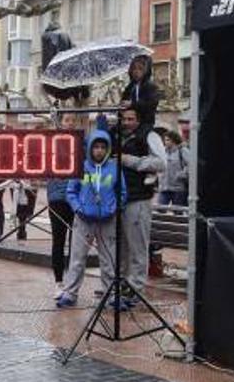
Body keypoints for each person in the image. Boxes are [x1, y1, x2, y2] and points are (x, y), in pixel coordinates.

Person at [56, 129, 125, 309]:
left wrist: (114, 208)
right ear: (90, 149)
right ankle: (70, 293)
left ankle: (112, 295)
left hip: (108, 221)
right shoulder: (82, 167)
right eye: (96, 147)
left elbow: (122, 192)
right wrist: (78, 208)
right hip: (84, 220)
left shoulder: (114, 168)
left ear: (108, 149)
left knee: (108, 260)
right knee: (77, 258)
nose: (99, 151)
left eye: (103, 147)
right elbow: (71, 192)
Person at [117, 106, 166, 301]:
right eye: (124, 118)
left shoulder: (149, 135)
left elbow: (161, 163)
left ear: (139, 119)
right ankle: (122, 283)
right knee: (122, 246)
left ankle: (136, 287)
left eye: (131, 119)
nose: (127, 122)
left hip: (138, 198)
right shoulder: (117, 135)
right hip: (119, 198)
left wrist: (131, 161)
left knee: (137, 245)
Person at [47, 111, 82, 287]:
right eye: (67, 120)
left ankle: (72, 280)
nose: (71, 123)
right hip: (57, 198)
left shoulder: (80, 143)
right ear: (61, 122)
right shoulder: (53, 142)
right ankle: (59, 280)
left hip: (75, 199)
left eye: (73, 120)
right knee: (58, 240)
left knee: (75, 242)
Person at [120, 55, 160, 128]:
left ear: (146, 70)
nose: (136, 72)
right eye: (134, 69)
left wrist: (132, 104)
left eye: (140, 69)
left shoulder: (150, 86)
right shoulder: (130, 87)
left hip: (145, 123)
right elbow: (124, 101)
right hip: (129, 124)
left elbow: (151, 104)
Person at [160, 130, 189, 206]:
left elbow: (191, 165)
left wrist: (181, 174)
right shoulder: (163, 151)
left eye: (168, 140)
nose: (165, 142)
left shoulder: (182, 151)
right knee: (160, 210)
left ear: (174, 140)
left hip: (178, 188)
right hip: (164, 187)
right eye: (165, 140)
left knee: (178, 212)